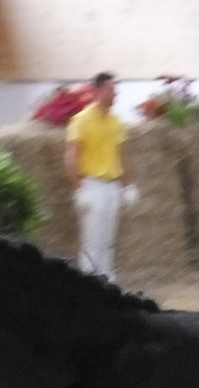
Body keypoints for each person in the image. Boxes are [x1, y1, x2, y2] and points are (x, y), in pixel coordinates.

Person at [65, 71, 139, 282]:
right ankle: (89, 282)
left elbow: (121, 157)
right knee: (92, 240)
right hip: (92, 185)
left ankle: (107, 280)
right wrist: (79, 189)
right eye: (111, 89)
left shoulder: (115, 122)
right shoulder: (81, 121)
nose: (115, 94)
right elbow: (71, 158)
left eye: (115, 90)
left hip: (112, 186)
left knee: (108, 239)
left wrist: (128, 186)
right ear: (97, 91)